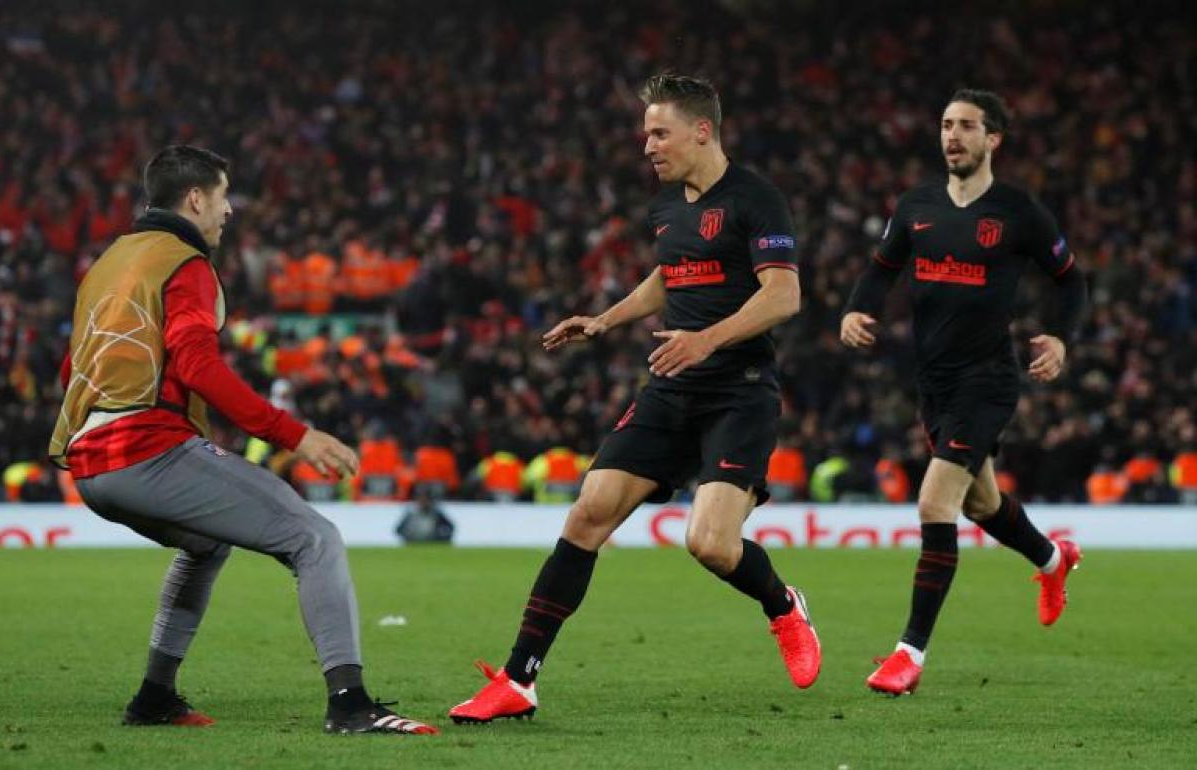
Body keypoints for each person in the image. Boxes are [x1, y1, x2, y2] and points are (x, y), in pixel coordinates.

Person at [448, 74, 820, 725]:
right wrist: (604, 319)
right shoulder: (668, 206)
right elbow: (667, 274)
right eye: (645, 132)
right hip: (672, 389)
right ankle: (519, 678)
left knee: (708, 544)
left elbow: (783, 296)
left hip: (739, 392)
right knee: (589, 512)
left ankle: (783, 606)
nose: (646, 145)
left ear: (701, 130)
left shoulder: (757, 198)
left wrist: (706, 339)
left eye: (659, 132)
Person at [48, 146, 436, 735]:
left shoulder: (108, 264)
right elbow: (199, 366)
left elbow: (74, 368)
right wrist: (294, 434)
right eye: (224, 197)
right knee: (315, 537)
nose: (229, 211)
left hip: (89, 460)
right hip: (145, 446)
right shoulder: (185, 263)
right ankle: (351, 705)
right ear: (196, 199)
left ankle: (154, 698)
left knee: (206, 545)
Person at [840, 90, 1088, 696]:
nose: (952, 136)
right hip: (934, 382)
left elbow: (1070, 281)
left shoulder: (1018, 212)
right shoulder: (916, 206)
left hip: (988, 380)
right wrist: (856, 310)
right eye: (946, 124)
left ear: (993, 139)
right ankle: (1054, 561)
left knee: (934, 504)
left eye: (967, 127)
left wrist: (1059, 336)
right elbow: (880, 268)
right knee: (980, 505)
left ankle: (908, 655)